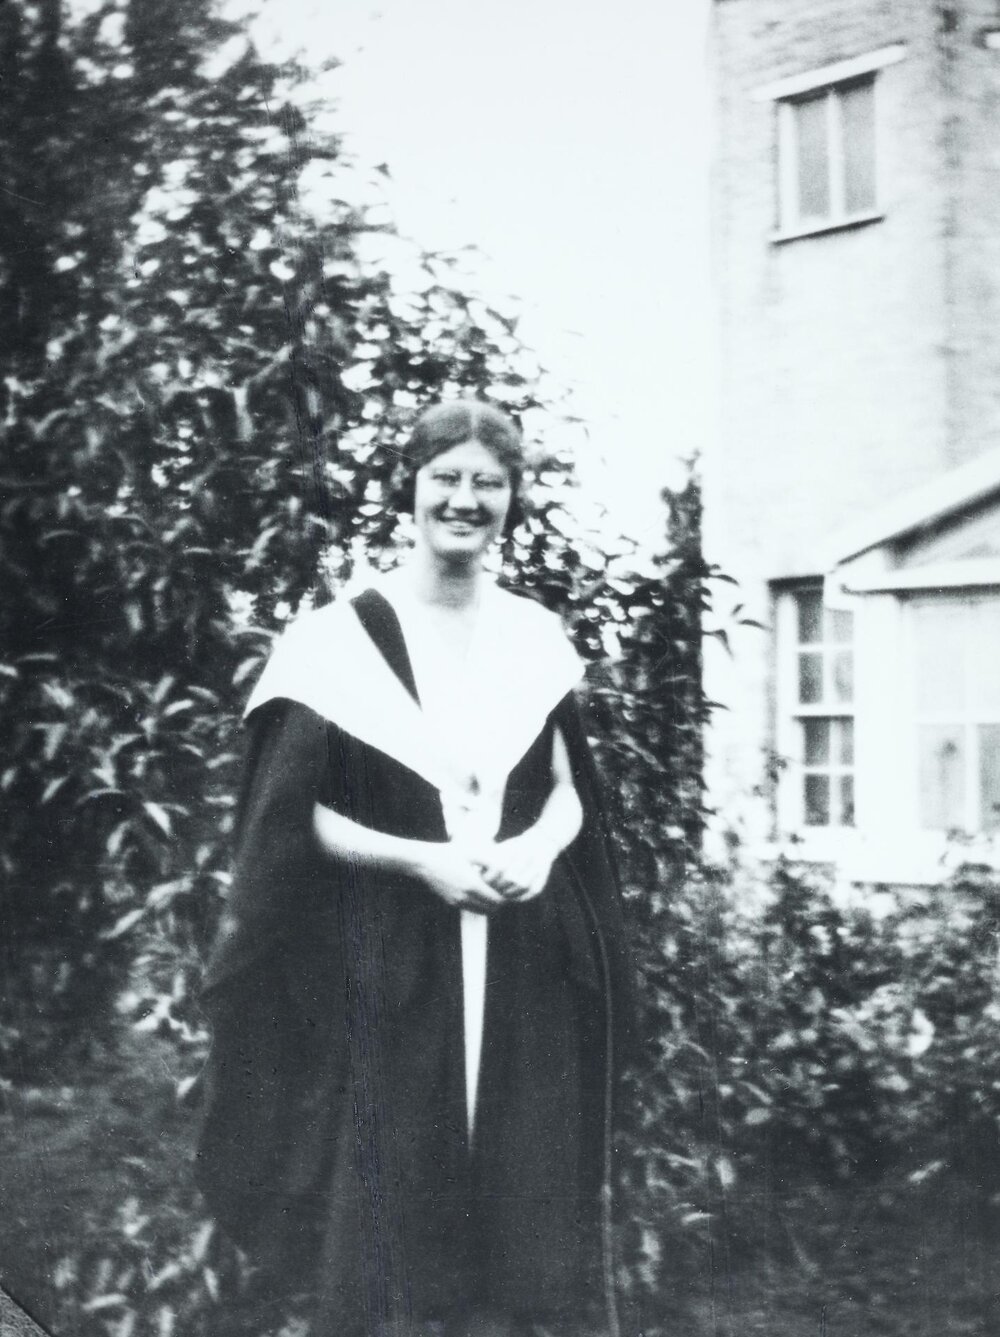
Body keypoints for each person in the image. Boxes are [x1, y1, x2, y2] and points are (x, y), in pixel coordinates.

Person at [196, 399, 634, 1337]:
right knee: (392, 1214)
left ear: (511, 500)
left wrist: (537, 847)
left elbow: (568, 791)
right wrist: (421, 860)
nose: (465, 499)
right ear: (412, 487)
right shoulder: (334, 641)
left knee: (518, 1198)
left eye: (488, 482)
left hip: (520, 953)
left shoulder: (533, 635)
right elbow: (293, 824)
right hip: (394, 962)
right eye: (448, 477)